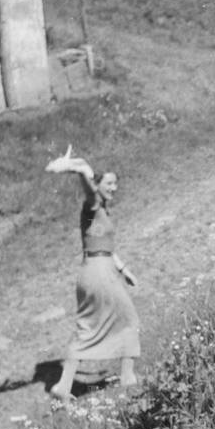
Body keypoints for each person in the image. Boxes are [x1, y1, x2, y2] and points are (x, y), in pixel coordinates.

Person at [45, 151, 140, 401]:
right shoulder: (93, 204)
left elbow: (104, 244)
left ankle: (63, 387)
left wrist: (123, 269)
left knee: (87, 328)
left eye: (116, 183)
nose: (114, 187)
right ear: (97, 184)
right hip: (99, 272)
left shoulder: (101, 213)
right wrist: (80, 171)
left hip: (96, 269)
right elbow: (88, 191)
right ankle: (128, 379)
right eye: (109, 183)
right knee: (129, 320)